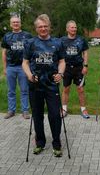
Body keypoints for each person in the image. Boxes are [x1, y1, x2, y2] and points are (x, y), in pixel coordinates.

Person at [22, 14, 65, 157]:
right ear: (36, 29)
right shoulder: (30, 43)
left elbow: (62, 61)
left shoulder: (58, 43)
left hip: (52, 85)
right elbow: (25, 63)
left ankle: (56, 143)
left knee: (55, 115)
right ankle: (40, 142)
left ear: (49, 27)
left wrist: (60, 73)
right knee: (37, 115)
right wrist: (29, 75)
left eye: (45, 26)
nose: (43, 28)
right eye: (40, 26)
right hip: (35, 85)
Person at [1, 15, 32, 119]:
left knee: (24, 90)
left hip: (23, 67)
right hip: (11, 67)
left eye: (17, 22)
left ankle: (25, 110)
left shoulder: (27, 35)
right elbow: (4, 53)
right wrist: (5, 68)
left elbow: (33, 50)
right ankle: (11, 110)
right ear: (10, 24)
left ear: (20, 23)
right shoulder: (7, 36)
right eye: (13, 22)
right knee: (11, 90)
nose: (15, 24)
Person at [61, 20, 89, 119]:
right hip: (66, 68)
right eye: (72, 27)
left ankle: (83, 109)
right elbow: (59, 55)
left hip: (79, 68)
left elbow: (85, 52)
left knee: (80, 89)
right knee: (66, 89)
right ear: (67, 29)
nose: (74, 29)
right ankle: (64, 109)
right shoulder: (62, 40)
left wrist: (85, 66)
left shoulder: (81, 40)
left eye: (75, 27)